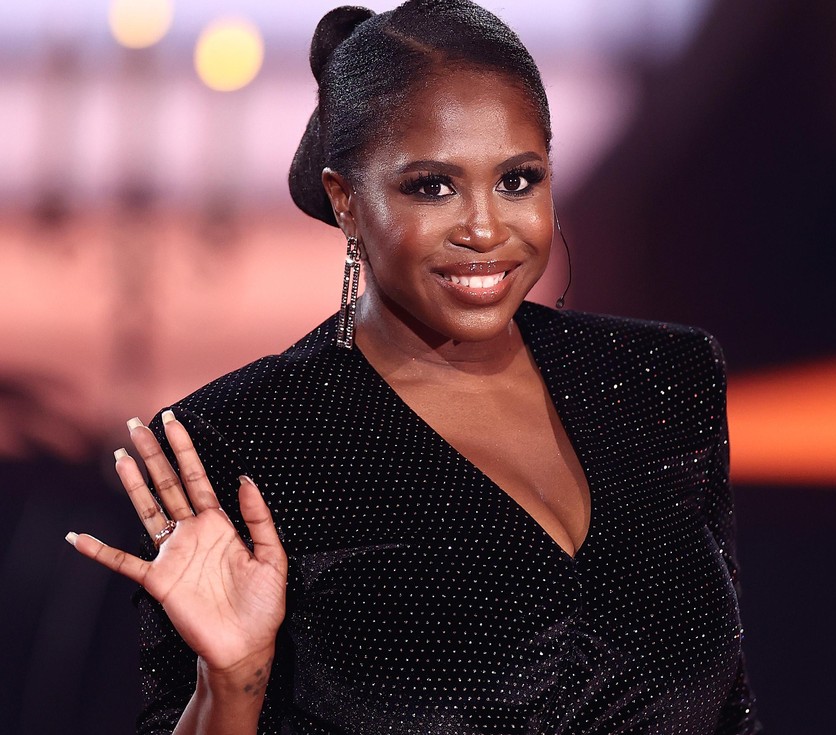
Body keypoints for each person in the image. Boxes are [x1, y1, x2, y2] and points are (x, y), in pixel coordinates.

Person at [66, 1, 762, 732]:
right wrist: (233, 681)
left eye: (518, 180)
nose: (485, 228)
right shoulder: (236, 441)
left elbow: (728, 710)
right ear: (345, 201)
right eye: (432, 186)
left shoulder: (663, 378)